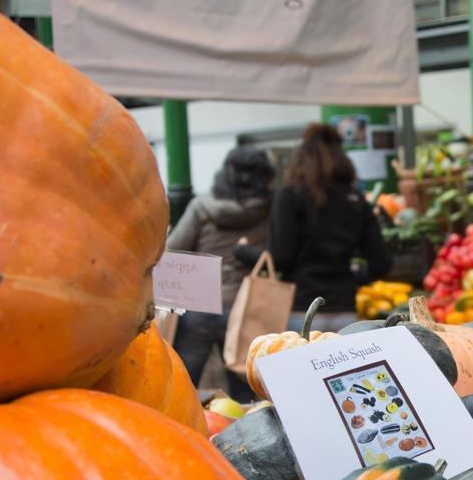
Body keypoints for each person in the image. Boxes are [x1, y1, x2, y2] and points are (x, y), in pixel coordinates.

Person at [166, 146, 276, 397]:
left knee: (186, 380)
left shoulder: (201, 207)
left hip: (200, 305)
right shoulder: (269, 209)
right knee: (245, 382)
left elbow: (174, 249)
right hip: (247, 306)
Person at [268, 123, 392, 332]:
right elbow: (382, 262)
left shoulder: (290, 196)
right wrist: (353, 278)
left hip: (301, 309)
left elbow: (279, 257)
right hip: (345, 311)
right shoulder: (355, 200)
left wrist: (244, 252)